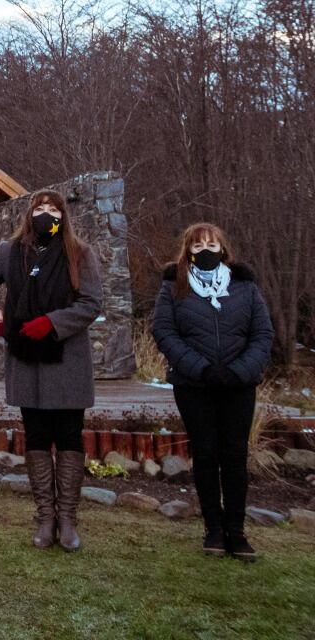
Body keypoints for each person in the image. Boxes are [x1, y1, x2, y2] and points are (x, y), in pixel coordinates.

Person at [0, 189, 102, 552]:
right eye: (40, 208)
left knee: (70, 436)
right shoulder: (10, 251)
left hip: (67, 358)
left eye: (53, 209)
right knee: (38, 435)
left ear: (63, 216)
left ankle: (68, 519)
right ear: (29, 213)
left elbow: (91, 303)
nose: (46, 213)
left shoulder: (80, 253)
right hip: (26, 355)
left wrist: (53, 322)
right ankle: (45, 517)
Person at [150, 223, 273, 561]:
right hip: (194, 385)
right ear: (188, 250)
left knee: (234, 455)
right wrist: (200, 369)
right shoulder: (173, 287)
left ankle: (237, 530)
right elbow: (164, 332)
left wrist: (238, 371)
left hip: (238, 384)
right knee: (205, 453)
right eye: (198, 244)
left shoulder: (245, 287)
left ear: (223, 249)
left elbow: (262, 334)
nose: (206, 249)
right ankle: (213, 529)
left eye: (212, 243)